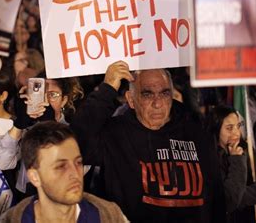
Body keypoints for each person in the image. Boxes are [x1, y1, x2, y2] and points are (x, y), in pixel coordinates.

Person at [71, 61, 226, 222]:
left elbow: (217, 195)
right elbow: (76, 144)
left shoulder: (197, 132)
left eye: (164, 93)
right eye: (147, 94)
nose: (158, 103)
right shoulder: (115, 134)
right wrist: (107, 89)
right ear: (131, 100)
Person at [0, 121, 127, 223]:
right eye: (61, 166)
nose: (74, 173)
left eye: (78, 162)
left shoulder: (109, 216)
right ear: (34, 177)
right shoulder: (12, 219)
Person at [0, 76, 83, 194]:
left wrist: (51, 126)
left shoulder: (74, 130)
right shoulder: (27, 129)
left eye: (52, 95)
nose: (45, 100)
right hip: (26, 197)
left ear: (64, 100)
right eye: (40, 94)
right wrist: (19, 124)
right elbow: (1, 162)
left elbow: (75, 168)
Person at [206, 106, 256, 223]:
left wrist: (239, 195)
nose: (236, 133)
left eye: (238, 126)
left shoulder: (247, 150)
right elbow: (227, 201)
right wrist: (237, 160)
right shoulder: (208, 156)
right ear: (216, 129)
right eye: (229, 128)